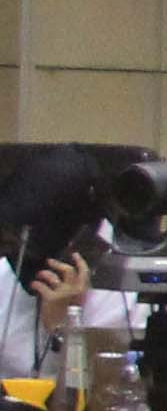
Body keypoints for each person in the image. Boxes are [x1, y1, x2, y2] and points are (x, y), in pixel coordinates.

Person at [0, 145, 132, 387]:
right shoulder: (5, 273)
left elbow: (112, 402)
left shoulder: (131, 295)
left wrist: (65, 330)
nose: (19, 255)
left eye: (31, 245)